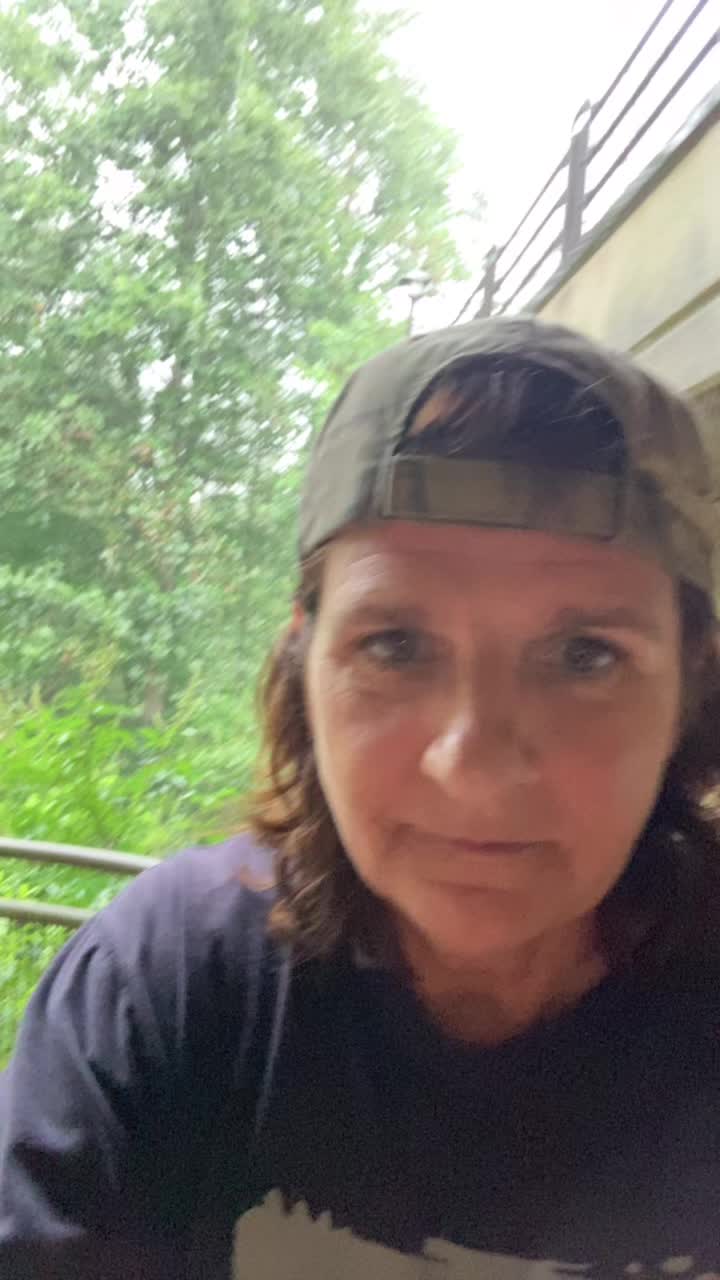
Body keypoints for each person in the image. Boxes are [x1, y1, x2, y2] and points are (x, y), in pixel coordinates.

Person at [1, 316, 719, 1280]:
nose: (472, 766)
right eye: (395, 646)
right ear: (305, 663)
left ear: (691, 687)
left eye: (586, 657)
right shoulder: (168, 993)